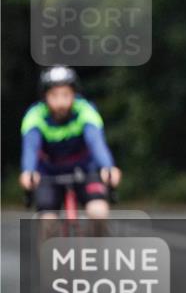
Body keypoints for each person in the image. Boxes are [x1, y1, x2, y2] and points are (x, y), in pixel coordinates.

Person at [19, 66, 121, 221]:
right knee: (47, 221)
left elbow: (96, 142)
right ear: (45, 97)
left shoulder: (85, 110)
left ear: (74, 94)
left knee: (98, 212)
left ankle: (97, 245)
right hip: (49, 173)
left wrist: (107, 166)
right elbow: (30, 148)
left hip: (85, 170)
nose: (60, 102)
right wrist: (28, 171)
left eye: (66, 95)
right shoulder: (35, 115)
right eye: (54, 95)